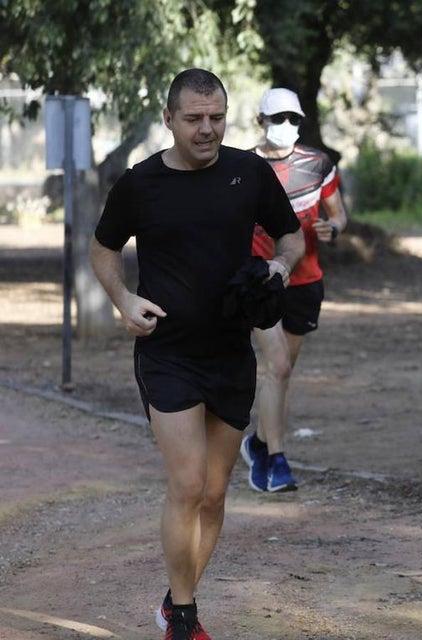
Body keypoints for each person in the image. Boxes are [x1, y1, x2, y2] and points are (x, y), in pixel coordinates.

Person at [89, 68, 304, 640]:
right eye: (193, 119)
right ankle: (184, 618)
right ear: (169, 119)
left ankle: (175, 599)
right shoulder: (141, 183)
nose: (206, 129)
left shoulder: (248, 172)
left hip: (231, 351)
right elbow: (103, 249)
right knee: (187, 484)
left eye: (216, 118)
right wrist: (123, 299)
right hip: (167, 353)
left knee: (213, 493)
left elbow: (290, 235)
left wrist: (280, 266)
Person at [240, 88, 349, 493]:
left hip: (305, 281)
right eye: (277, 118)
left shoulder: (318, 164)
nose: (286, 126)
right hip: (261, 280)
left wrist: (332, 228)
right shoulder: (242, 167)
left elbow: (339, 215)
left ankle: (258, 443)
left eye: (293, 119)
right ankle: (277, 462)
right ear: (260, 121)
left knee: (282, 373)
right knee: (278, 365)